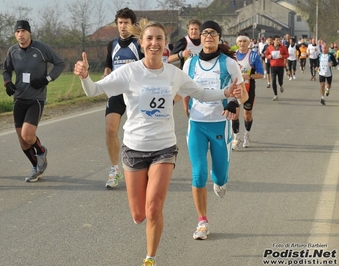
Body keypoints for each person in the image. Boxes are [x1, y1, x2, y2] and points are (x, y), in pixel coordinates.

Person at [74, 18, 245, 266]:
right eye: (149, 39)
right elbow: (93, 90)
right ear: (142, 43)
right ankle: (144, 225)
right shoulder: (129, 72)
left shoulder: (174, 74)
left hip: (164, 148)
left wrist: (225, 93)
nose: (154, 43)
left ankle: (150, 258)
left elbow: (202, 93)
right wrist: (85, 76)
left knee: (154, 209)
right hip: (134, 149)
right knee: (139, 214)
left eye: (159, 39)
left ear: (166, 45)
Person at [181, 21, 248, 241]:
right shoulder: (189, 63)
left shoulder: (229, 64)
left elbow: (243, 94)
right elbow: (184, 90)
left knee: (220, 175)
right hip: (197, 125)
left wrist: (234, 103)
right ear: (200, 37)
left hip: (220, 124)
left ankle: (219, 180)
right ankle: (202, 222)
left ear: (219, 38)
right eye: (205, 33)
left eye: (213, 33)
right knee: (198, 173)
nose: (208, 36)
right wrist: (186, 106)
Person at [2, 20, 65, 182]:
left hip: (36, 99)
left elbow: (59, 63)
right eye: (17, 32)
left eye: (23, 31)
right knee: (22, 141)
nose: (20, 35)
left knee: (28, 135)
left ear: (29, 32)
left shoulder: (41, 48)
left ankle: (42, 151)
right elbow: (6, 70)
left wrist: (46, 79)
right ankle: (36, 168)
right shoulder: (13, 51)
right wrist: (8, 83)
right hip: (19, 99)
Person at [102, 8, 143, 188]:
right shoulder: (112, 45)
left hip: (136, 93)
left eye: (126, 22)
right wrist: (106, 77)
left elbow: (147, 66)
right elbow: (108, 67)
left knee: (138, 132)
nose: (123, 26)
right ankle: (114, 169)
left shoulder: (139, 43)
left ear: (132, 24)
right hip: (117, 92)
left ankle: (143, 166)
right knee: (110, 129)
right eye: (120, 22)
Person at [231, 33, 264, 149]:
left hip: (248, 89)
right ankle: (236, 137)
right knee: (234, 114)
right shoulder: (232, 56)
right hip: (235, 89)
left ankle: (247, 134)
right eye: (240, 41)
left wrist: (249, 77)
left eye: (244, 41)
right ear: (237, 43)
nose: (242, 43)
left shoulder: (253, 56)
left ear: (249, 43)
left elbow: (261, 74)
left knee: (247, 114)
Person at [265, 35, 289, 101]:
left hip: (280, 66)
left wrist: (282, 56)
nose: (278, 41)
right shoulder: (270, 47)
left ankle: (281, 85)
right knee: (273, 81)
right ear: (273, 41)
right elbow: (266, 55)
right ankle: (275, 95)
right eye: (277, 40)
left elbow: (287, 55)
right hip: (273, 66)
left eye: (279, 40)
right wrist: (269, 56)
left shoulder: (283, 47)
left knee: (280, 80)